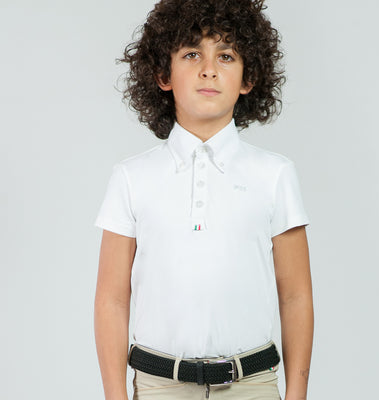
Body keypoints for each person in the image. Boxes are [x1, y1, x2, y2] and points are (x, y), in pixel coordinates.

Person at [93, 0, 314, 399]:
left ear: (248, 78)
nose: (209, 69)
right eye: (192, 54)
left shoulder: (275, 175)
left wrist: (297, 393)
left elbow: (295, 295)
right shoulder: (131, 178)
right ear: (163, 74)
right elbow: (112, 299)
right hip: (159, 388)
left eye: (226, 56)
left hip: (253, 386)